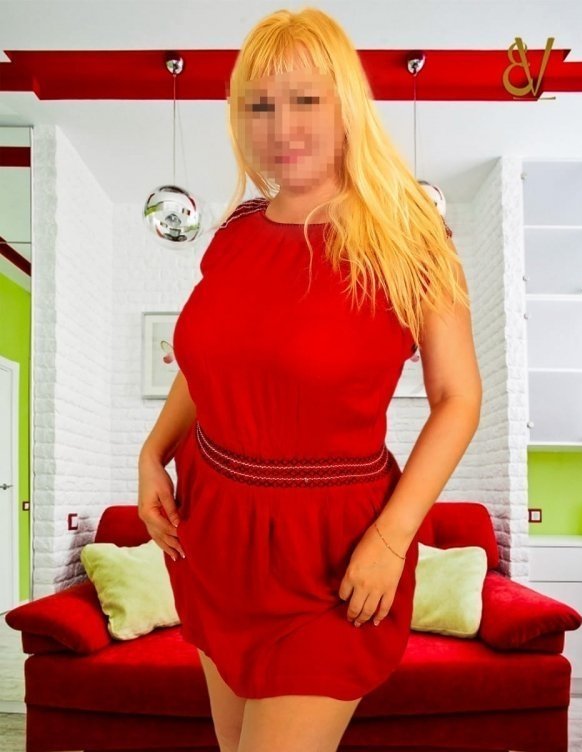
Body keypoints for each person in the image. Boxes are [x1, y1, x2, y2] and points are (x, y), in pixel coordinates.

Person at [137, 7, 482, 752]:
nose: (280, 127)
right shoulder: (236, 233)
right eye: (259, 105)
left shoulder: (412, 239)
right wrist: (151, 453)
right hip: (214, 532)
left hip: (332, 551)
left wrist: (391, 540)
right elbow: (207, 363)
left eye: (304, 100)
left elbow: (458, 400)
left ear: (346, 105)